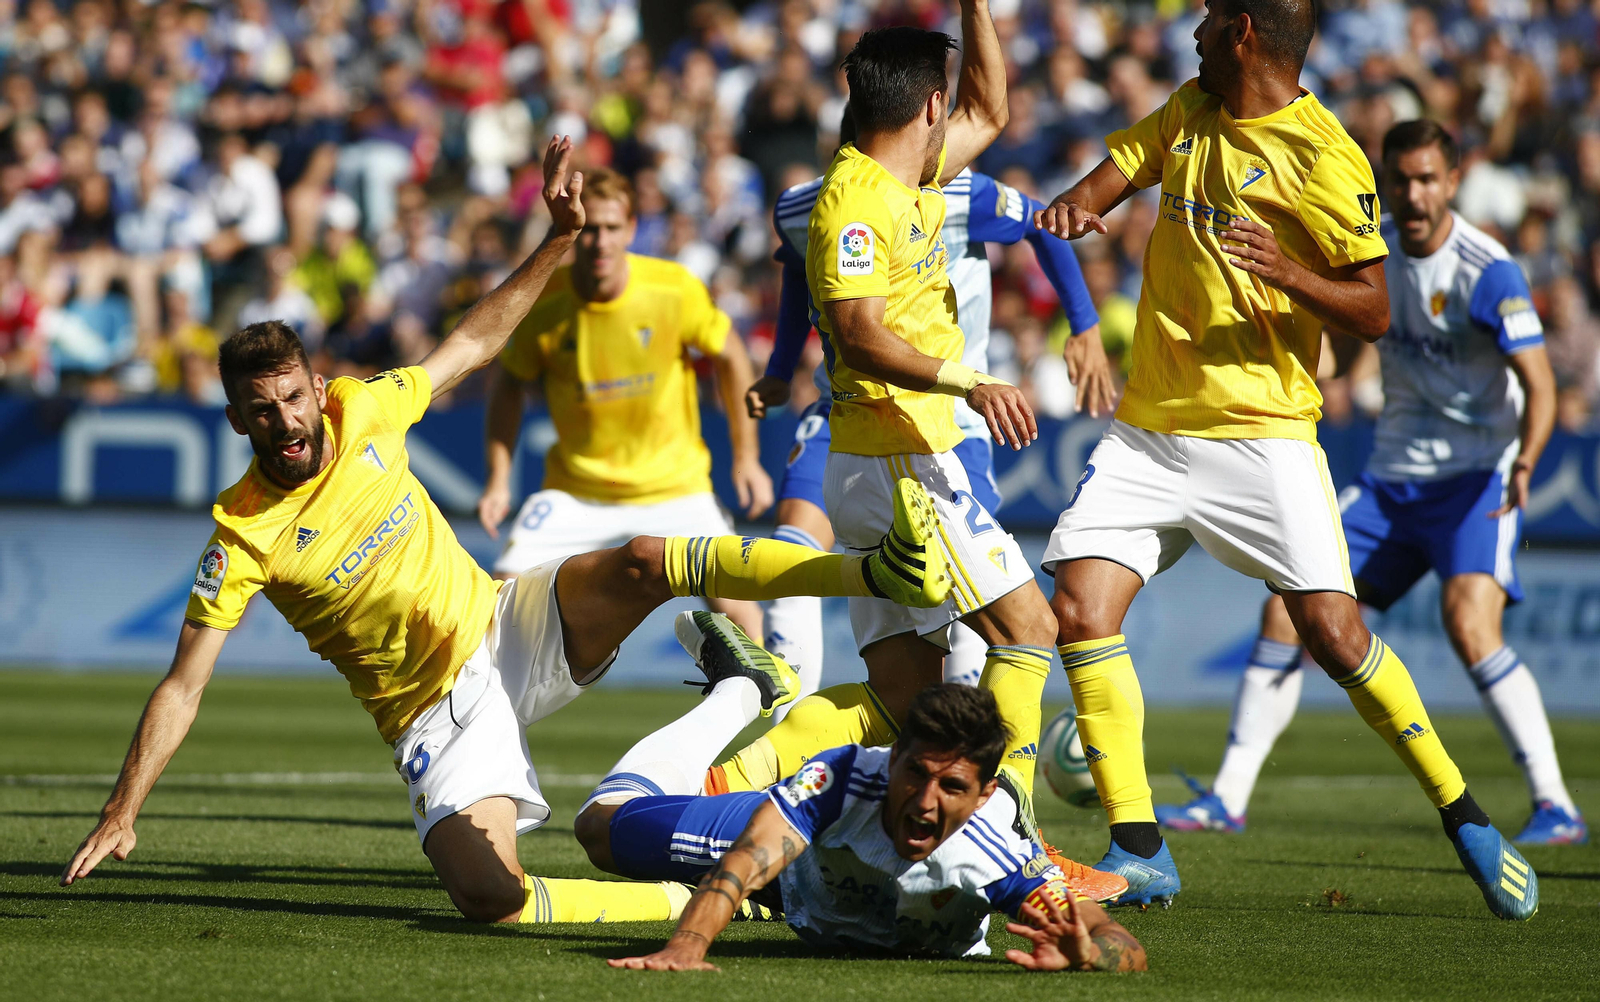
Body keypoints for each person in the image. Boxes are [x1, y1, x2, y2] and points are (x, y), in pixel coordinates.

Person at [58, 138, 954, 926]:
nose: (289, 421)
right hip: (430, 713)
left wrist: (556, 241)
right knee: (495, 901)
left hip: (503, 627)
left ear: (311, 383)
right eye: (264, 411)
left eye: (293, 396)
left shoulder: (361, 409)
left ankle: (873, 573)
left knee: (648, 561)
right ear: (238, 423)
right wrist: (123, 808)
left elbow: (474, 343)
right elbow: (183, 686)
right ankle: (715, 848)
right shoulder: (243, 534)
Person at [1034, 0, 1539, 919]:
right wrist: (1076, 207)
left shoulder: (1325, 156)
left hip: (1263, 433)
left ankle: (1465, 816)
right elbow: (1111, 176)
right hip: (1150, 429)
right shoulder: (1189, 108)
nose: (1190, 32)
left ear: (1244, 35)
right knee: (1077, 609)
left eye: (1207, 18)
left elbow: (1375, 308)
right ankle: (1140, 848)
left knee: (1336, 637)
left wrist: (1290, 273)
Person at [1155, 120, 1586, 847]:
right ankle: (1227, 798)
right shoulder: (1371, 251)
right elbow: (1350, 326)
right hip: (1390, 481)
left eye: (1428, 179)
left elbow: (1538, 387)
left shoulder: (1488, 270)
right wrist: (1338, 369)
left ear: (1452, 182)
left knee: (1470, 625)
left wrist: (1525, 461)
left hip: (1473, 480)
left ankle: (1555, 804)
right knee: (1286, 616)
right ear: (1385, 181)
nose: (1414, 194)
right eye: (1401, 180)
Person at [780, 2, 1114, 849]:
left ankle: (756, 793)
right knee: (1028, 631)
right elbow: (858, 332)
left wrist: (974, 7)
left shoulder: (908, 178)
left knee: (908, 704)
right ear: (927, 106)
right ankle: (1015, 841)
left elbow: (992, 112)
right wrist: (971, 380)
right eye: (946, 102)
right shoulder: (854, 203)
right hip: (905, 458)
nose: (956, 118)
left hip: (873, 462)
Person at [747, 108, 1106, 706]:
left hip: (953, 417)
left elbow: (1042, 225)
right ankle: (782, 705)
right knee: (793, 540)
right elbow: (795, 275)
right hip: (847, 408)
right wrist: (782, 371)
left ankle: (959, 723)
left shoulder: (962, 193)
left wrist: (1085, 325)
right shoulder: (802, 205)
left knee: (968, 601)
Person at [535, 677, 1146, 972]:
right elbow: (749, 858)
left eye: (952, 787)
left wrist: (1092, 951)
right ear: (893, 758)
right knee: (599, 831)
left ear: (985, 794)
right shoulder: (842, 779)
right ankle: (737, 691)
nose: (926, 802)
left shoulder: (994, 850)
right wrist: (686, 946)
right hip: (798, 871)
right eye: (915, 773)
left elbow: (1125, 947)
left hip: (823, 898)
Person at [476, 167, 771, 641]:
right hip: (576, 490)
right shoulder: (544, 301)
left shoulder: (672, 288)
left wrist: (748, 459)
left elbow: (732, 354)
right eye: (589, 228)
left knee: (742, 616)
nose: (600, 241)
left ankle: (770, 709)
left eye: (612, 228)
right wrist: (497, 480)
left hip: (673, 485)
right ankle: (484, 713)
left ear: (632, 229)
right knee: (496, 608)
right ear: (573, 230)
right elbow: (508, 382)